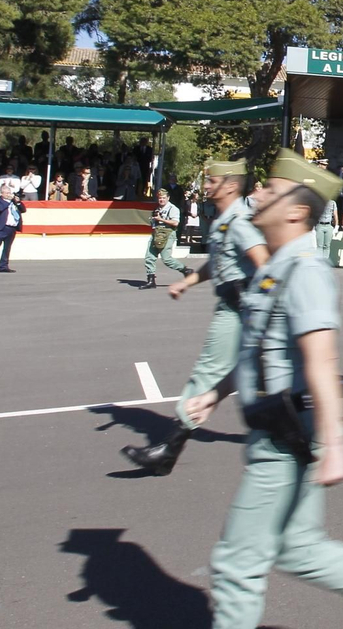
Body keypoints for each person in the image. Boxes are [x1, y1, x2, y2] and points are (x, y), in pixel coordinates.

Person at [187, 150, 343, 628]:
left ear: (297, 209)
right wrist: (216, 392)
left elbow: (322, 358)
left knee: (236, 563)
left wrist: (336, 442)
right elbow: (258, 349)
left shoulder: (305, 268)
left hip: (286, 436)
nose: (256, 194)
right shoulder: (274, 265)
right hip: (278, 428)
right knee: (296, 545)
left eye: (270, 190)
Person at [122, 160, 269, 476]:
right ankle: (301, 441)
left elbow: (264, 264)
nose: (205, 185)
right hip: (233, 307)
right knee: (258, 380)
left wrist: (261, 306)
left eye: (211, 180)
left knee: (209, 373)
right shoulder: (224, 220)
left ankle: (169, 449)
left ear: (230, 185)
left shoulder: (240, 221)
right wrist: (187, 281)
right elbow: (218, 263)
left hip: (239, 310)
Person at [145, 188, 188, 289]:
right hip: (156, 233)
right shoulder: (157, 209)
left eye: (164, 198)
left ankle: (185, 270)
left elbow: (175, 223)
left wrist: (161, 219)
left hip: (168, 234)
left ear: (168, 198)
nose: (162, 200)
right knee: (149, 257)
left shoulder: (173, 209)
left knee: (167, 259)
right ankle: (151, 280)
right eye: (160, 198)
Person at [0, 182, 25, 272]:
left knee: (7, 248)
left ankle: (4, 265)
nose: (9, 195)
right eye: (6, 193)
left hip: (11, 228)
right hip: (1, 227)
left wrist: (18, 202)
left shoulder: (13, 202)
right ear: (2, 193)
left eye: (10, 192)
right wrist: (8, 201)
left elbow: (23, 210)